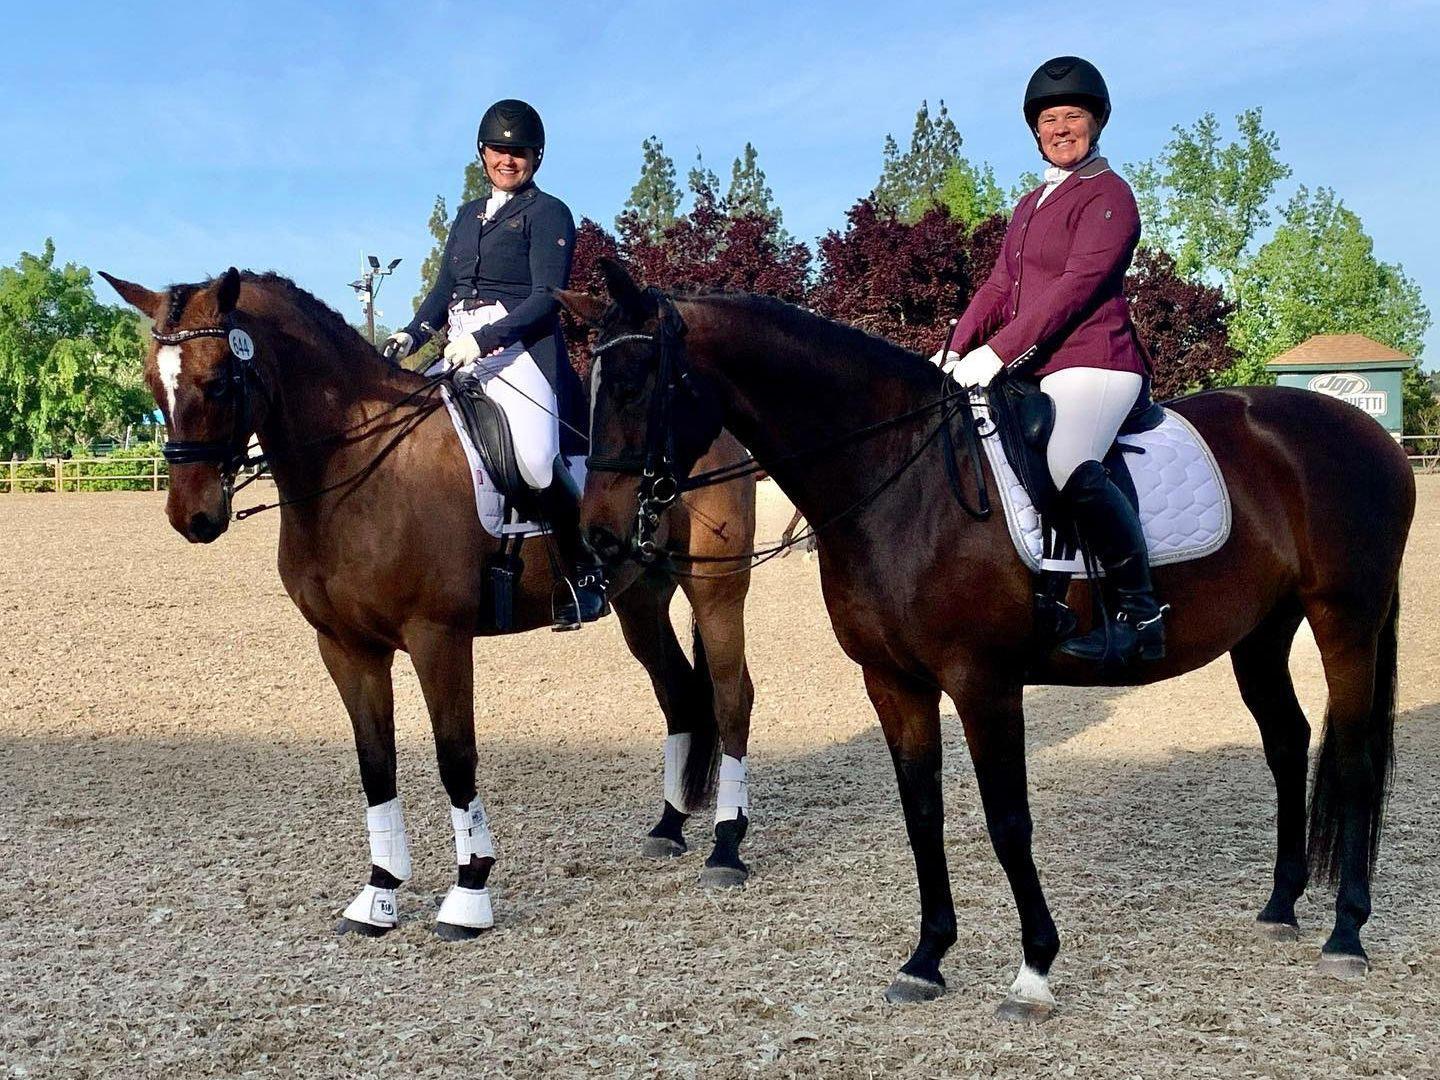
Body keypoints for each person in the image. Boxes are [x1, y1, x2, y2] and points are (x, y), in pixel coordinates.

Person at [932, 57, 1166, 665]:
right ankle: (1044, 592)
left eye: (1074, 116)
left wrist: (998, 351)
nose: (1062, 127)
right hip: (1037, 366)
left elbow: (1077, 287)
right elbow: (996, 286)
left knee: (1068, 459)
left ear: (1097, 123)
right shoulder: (1031, 204)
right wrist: (957, 347)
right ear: (1036, 130)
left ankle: (1141, 617)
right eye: (1050, 118)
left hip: (1098, 361)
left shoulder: (1109, 195)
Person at [385, 99, 607, 630]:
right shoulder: (466, 216)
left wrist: (484, 339)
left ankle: (584, 575)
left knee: (533, 459)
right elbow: (444, 289)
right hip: (459, 347)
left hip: (521, 352)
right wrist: (412, 333)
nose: (508, 159)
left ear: (536, 158)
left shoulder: (548, 213)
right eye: (499, 149)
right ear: (482, 152)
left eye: (520, 152)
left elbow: (545, 297)